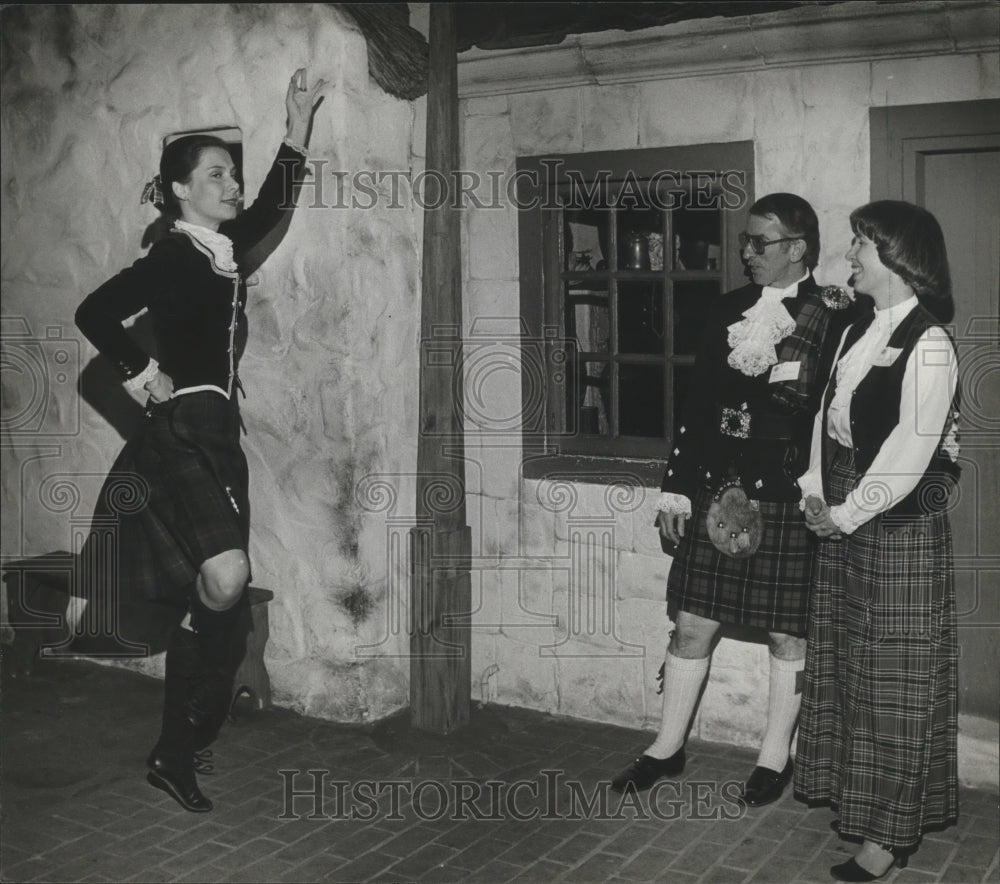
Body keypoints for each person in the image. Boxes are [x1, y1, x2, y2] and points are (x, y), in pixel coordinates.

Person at [73, 69, 325, 813]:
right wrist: (141, 369)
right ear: (180, 189)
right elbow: (94, 312)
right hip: (180, 428)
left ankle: (176, 749)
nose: (231, 185)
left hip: (221, 436)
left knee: (222, 588)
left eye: (231, 175)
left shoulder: (220, 249)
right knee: (226, 576)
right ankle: (185, 732)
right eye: (216, 175)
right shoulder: (173, 255)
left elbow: (275, 199)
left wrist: (298, 124)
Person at [610, 193, 855, 805]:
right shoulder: (726, 308)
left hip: (790, 493)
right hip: (719, 490)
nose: (746, 252)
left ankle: (775, 760)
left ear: (797, 248)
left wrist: (829, 491)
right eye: (745, 241)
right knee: (691, 623)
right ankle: (666, 749)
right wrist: (676, 487)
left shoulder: (837, 316)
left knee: (787, 636)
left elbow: (839, 415)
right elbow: (695, 405)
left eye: (760, 243)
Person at [794, 201, 960, 881]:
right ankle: (859, 807)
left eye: (860, 244)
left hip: (893, 526)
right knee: (847, 670)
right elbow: (825, 417)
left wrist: (850, 511)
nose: (849, 255)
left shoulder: (930, 341)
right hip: (843, 508)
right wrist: (813, 486)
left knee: (894, 684)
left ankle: (887, 840)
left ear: (897, 255)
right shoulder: (856, 327)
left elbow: (910, 451)